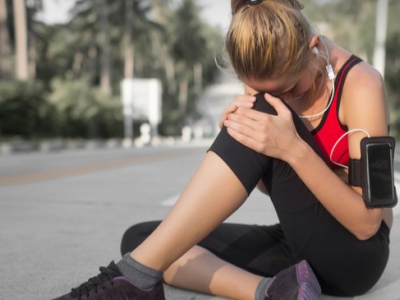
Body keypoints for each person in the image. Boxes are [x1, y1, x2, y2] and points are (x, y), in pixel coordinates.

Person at [52, 0, 394, 299]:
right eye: (268, 91)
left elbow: (367, 224)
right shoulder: (264, 82)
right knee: (144, 239)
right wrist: (247, 141)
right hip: (299, 243)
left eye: (291, 87)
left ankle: (132, 279)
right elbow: (272, 185)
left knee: (262, 115)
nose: (285, 100)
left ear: (314, 46)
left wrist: (291, 148)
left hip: (355, 257)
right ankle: (272, 293)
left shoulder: (362, 84)